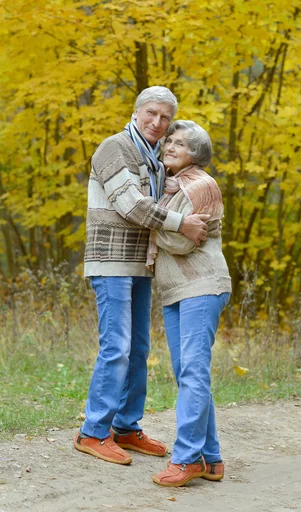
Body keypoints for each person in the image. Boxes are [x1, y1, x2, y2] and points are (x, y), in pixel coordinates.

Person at [74, 87, 210, 465]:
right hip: (111, 261)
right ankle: (93, 432)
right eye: (151, 113)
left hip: (142, 264)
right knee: (116, 347)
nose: (157, 122)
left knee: (138, 349)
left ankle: (126, 427)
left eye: (165, 118)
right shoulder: (114, 148)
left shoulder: (154, 157)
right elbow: (132, 205)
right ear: (136, 112)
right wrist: (182, 224)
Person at [148, 120, 232, 487]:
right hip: (177, 289)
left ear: (196, 154)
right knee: (189, 375)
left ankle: (185, 460)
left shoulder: (201, 185)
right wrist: (165, 219)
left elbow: (185, 241)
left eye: (180, 143)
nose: (170, 146)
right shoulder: (174, 187)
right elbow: (177, 229)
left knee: (193, 374)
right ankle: (210, 459)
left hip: (201, 284)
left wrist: (150, 225)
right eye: (170, 141)